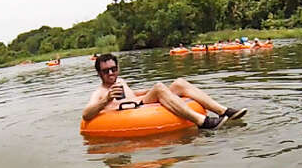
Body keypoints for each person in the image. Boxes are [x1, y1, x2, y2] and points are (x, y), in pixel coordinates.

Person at [82, 53, 247, 129]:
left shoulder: (121, 81)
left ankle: (223, 111)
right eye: (106, 71)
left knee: (179, 83)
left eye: (113, 69)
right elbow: (86, 114)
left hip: (139, 103)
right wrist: (106, 100)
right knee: (160, 87)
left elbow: (133, 94)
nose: (111, 73)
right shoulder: (100, 92)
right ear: (99, 74)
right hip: (131, 112)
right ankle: (202, 121)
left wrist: (151, 89)